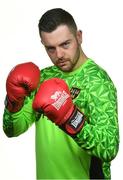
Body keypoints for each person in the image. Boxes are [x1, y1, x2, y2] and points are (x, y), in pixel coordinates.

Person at [3, 8, 119, 179]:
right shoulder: (43, 77)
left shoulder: (98, 82)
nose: (59, 55)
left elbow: (109, 149)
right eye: (50, 48)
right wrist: (14, 102)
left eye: (65, 44)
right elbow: (12, 130)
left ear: (79, 37)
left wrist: (70, 117)